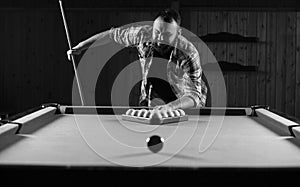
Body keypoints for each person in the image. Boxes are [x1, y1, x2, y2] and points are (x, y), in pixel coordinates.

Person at [67, 8, 207, 114]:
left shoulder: (188, 52)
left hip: (184, 106)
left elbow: (194, 96)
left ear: (178, 34)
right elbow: (111, 35)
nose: (160, 38)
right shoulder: (142, 34)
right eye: (157, 32)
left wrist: (170, 107)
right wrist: (81, 46)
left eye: (167, 35)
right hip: (152, 100)